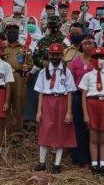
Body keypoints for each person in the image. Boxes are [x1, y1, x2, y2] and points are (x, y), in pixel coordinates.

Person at [33, 43, 77, 173]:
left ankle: (57, 164)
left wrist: (69, 111)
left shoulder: (66, 71)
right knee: (45, 130)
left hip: (61, 102)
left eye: (58, 54)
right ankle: (42, 162)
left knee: (60, 131)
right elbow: (40, 92)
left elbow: (69, 92)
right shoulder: (43, 72)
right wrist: (38, 111)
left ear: (62, 55)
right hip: (47, 101)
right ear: (49, 55)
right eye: (53, 54)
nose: (55, 57)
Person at [79, 47, 104, 176]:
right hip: (92, 104)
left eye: (102, 57)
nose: (99, 60)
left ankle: (103, 165)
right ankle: (94, 165)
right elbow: (83, 95)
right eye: (96, 58)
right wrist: (85, 114)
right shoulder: (87, 76)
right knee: (93, 137)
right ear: (91, 60)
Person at [2, 23, 31, 142]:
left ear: (18, 33)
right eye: (9, 30)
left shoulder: (24, 48)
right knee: (5, 105)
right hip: (4, 79)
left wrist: (27, 67)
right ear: (6, 32)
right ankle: (6, 133)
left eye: (15, 30)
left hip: (19, 78)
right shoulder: (2, 47)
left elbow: (30, 63)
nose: (12, 32)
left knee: (19, 105)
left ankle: (18, 133)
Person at [69, 35, 95, 166]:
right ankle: (79, 158)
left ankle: (92, 159)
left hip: (94, 97)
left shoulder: (98, 61)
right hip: (78, 97)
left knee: (92, 127)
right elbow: (71, 82)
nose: (88, 46)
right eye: (85, 43)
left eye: (90, 43)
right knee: (78, 128)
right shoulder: (75, 62)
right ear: (81, 45)